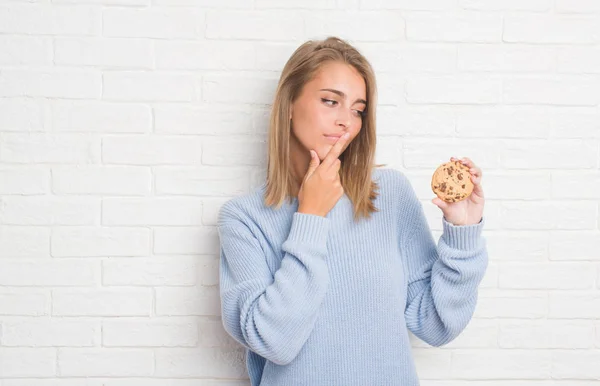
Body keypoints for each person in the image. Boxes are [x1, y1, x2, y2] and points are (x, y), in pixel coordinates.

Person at [217, 36, 488, 386]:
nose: (347, 121)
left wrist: (462, 236)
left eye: (358, 110)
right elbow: (274, 342)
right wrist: (310, 217)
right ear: (288, 104)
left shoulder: (389, 195)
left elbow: (435, 325)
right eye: (331, 101)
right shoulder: (244, 219)